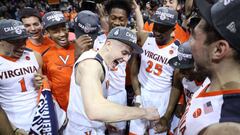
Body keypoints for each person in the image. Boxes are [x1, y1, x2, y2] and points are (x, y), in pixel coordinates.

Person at [65, 26, 160, 134]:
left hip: (91, 128)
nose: (125, 59)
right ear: (108, 44)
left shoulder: (101, 62)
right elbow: (95, 110)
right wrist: (144, 112)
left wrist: (105, 121)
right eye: (124, 52)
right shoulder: (91, 65)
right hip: (83, 131)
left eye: (129, 55)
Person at [176, 0, 240, 134]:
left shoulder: (225, 126)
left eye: (192, 35)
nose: (189, 44)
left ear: (218, 50)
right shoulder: (214, 76)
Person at [93, 0, 144, 134]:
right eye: (113, 18)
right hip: (98, 96)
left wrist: (137, 10)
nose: (116, 22)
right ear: (108, 17)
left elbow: (141, 31)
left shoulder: (130, 42)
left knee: (117, 132)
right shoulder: (97, 40)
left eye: (121, 19)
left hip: (118, 96)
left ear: (127, 20)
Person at [129, 7, 180, 135]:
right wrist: (138, 96)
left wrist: (167, 116)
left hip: (162, 98)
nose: (157, 32)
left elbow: (176, 86)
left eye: (163, 29)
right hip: (143, 93)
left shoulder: (178, 51)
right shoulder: (144, 37)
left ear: (173, 29)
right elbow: (134, 69)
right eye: (156, 26)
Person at [153, 41, 206, 134]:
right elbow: (176, 87)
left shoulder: (213, 80)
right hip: (187, 117)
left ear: (198, 63)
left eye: (187, 68)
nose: (182, 72)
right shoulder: (180, 72)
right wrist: (166, 116)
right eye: (181, 67)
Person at [41, 11, 75, 111]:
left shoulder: (79, 49)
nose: (62, 34)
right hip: (61, 110)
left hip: (83, 108)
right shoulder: (44, 56)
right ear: (48, 33)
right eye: (55, 31)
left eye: (64, 28)